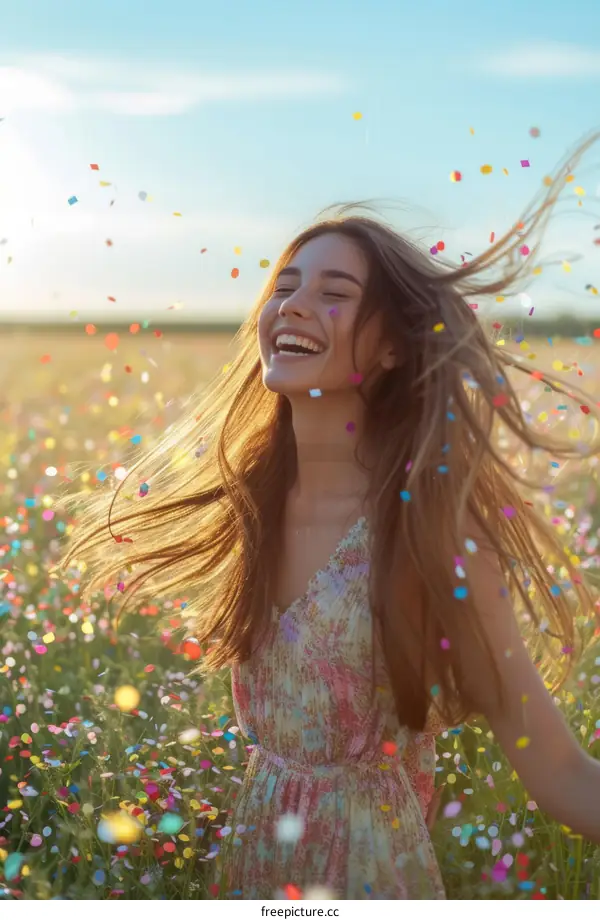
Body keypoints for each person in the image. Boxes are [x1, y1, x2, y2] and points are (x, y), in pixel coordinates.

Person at [56, 132, 600, 900]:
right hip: (257, 872)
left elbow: (563, 774)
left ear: (391, 348)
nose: (294, 304)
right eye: (284, 285)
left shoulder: (430, 538)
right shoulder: (253, 509)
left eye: (334, 293)